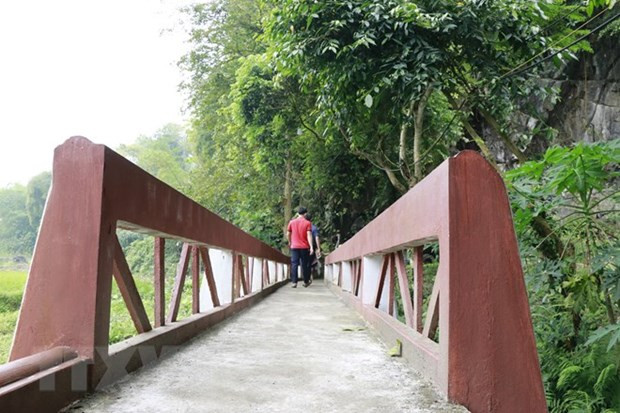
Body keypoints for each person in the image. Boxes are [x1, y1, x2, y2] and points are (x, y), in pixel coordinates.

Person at [286, 206, 314, 288]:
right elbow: (309, 235)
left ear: (298, 213)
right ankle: (305, 281)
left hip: (294, 246)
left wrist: (290, 241)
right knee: (304, 264)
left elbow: (288, 234)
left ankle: (294, 282)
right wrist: (311, 246)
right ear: (305, 214)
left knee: (294, 264)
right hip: (304, 247)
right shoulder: (307, 223)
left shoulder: (291, 222)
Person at [305, 213, 321, 280]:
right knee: (310, 261)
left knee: (305, 261)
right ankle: (310, 274)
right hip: (312, 246)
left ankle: (306, 276)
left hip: (303, 246)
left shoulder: (303, 226)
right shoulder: (314, 227)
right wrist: (318, 248)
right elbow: (316, 238)